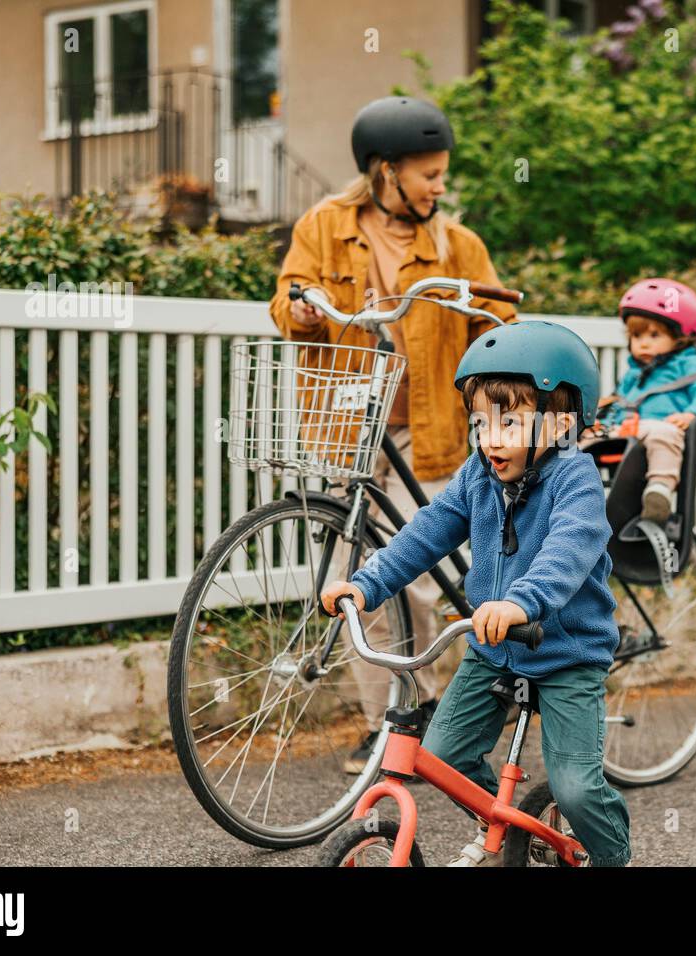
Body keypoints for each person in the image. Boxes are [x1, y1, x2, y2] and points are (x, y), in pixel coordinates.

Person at [319, 321, 633, 868]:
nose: (490, 437)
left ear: (560, 425)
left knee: (577, 789)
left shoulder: (576, 480)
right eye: (480, 422)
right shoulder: (479, 476)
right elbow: (428, 530)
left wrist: (522, 601)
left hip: (566, 655)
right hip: (494, 651)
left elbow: (568, 550)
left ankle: (611, 856)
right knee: (442, 756)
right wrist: (367, 583)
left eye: (509, 421)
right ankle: (500, 823)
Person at [269, 95, 517, 773]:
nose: (440, 186)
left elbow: (494, 326)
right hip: (348, 423)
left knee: (413, 579)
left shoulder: (457, 245)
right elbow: (289, 297)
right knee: (358, 582)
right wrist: (303, 310)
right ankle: (387, 724)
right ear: (386, 172)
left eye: (442, 174)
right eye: (429, 174)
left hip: (429, 430)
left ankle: (425, 711)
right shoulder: (326, 226)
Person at [581, 278, 696, 524]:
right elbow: (621, 400)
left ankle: (659, 490)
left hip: (660, 425)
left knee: (665, 434)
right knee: (580, 437)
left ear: (679, 337)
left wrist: (692, 414)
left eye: (654, 334)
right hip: (626, 428)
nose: (643, 342)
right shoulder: (635, 372)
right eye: (636, 335)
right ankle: (567, 490)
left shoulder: (689, 363)